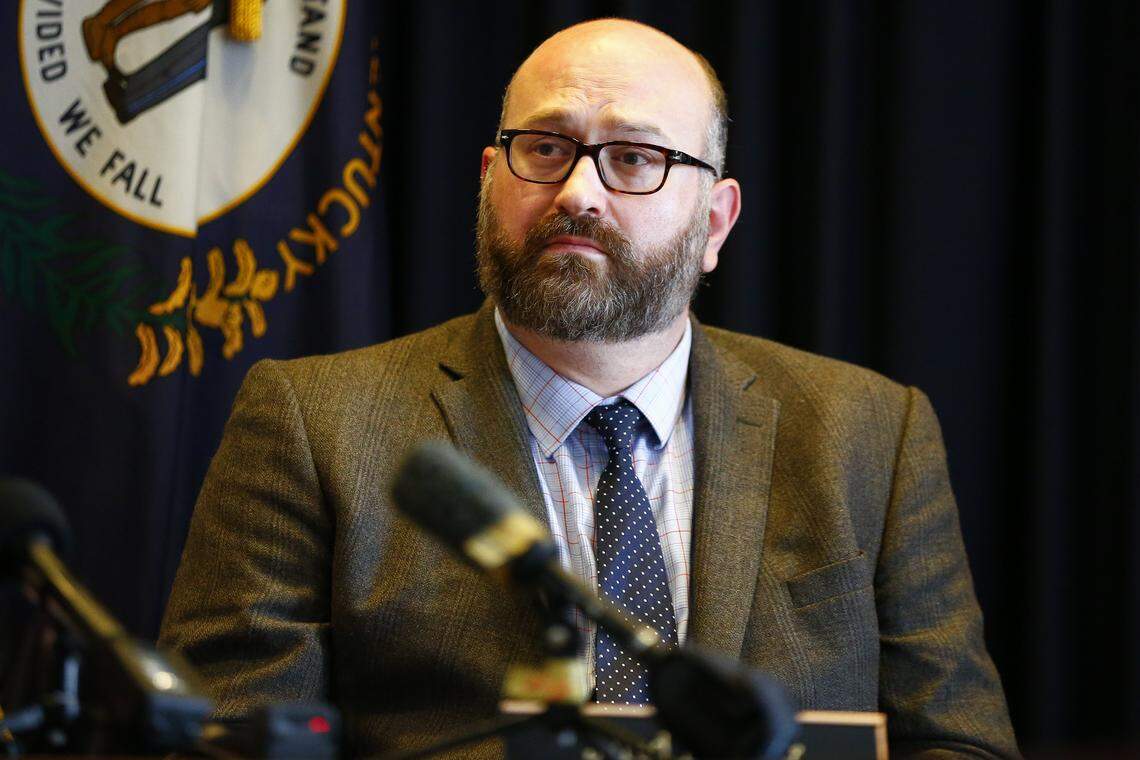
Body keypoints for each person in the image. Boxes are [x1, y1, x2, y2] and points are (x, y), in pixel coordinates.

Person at [160, 18, 1020, 758]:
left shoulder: (870, 431)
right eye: (544, 148)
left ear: (714, 221)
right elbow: (231, 737)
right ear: (490, 179)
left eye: (635, 158)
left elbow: (958, 739)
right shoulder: (316, 424)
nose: (579, 193)